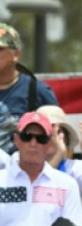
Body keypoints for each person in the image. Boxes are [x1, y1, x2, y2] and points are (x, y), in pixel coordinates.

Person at [0, 112, 82, 226]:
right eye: (27, 136)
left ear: (49, 143)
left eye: (41, 138)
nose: (33, 143)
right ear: (16, 140)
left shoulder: (67, 184)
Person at [37, 105, 82, 218]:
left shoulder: (75, 167)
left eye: (56, 131)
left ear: (66, 137)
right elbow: (37, 185)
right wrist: (59, 153)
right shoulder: (25, 165)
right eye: (45, 132)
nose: (51, 137)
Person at [0, 23, 58, 155]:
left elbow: (58, 140)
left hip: (23, 173)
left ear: (16, 54)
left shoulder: (37, 91)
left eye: (0, 49)